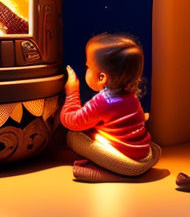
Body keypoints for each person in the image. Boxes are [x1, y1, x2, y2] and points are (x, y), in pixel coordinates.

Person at [60, 33, 161, 182]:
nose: (86, 69)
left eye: (88, 66)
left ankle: (107, 173)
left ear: (102, 77)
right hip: (142, 154)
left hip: (124, 160)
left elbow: (71, 121)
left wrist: (72, 92)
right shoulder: (131, 96)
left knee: (72, 137)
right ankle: (118, 170)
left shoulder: (103, 101)